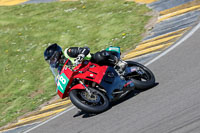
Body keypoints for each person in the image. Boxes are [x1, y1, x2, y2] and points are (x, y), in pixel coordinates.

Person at [44, 43, 127, 74]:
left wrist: (80, 56)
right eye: (50, 61)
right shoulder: (60, 68)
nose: (52, 62)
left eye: (52, 59)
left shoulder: (68, 52)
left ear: (57, 54)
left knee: (99, 56)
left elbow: (85, 49)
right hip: (84, 73)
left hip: (92, 62)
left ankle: (118, 63)